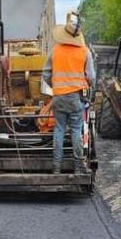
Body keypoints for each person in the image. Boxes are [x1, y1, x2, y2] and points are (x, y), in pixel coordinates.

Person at [42, 12, 96, 174]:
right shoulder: (84, 51)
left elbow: (45, 74)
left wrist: (56, 87)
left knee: (59, 129)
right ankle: (79, 167)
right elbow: (91, 77)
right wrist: (85, 85)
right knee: (75, 129)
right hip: (75, 97)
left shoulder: (55, 50)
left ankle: (56, 168)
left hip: (58, 97)